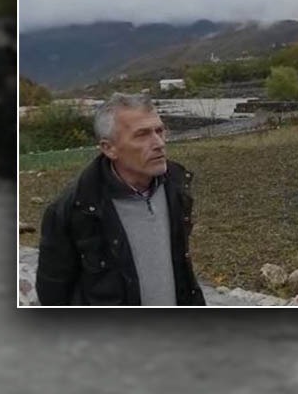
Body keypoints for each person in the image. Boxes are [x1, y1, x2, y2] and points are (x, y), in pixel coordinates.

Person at [36, 93, 206, 305]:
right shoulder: (73, 210)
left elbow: (182, 266)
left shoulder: (176, 184)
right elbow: (53, 295)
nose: (159, 143)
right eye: (142, 135)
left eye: (159, 131)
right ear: (109, 148)